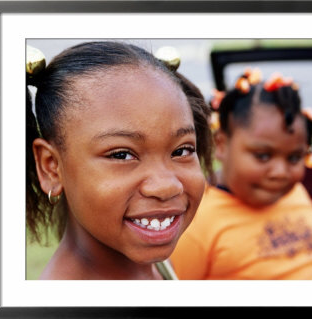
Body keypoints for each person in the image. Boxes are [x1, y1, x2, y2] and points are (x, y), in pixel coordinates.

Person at [26, 41, 213, 280]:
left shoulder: (158, 267)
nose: (167, 186)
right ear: (51, 167)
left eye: (181, 151)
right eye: (121, 155)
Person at [170, 69, 312, 280]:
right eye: (263, 156)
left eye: (293, 158)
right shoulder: (196, 222)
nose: (280, 173)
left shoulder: (296, 193)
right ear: (221, 144)